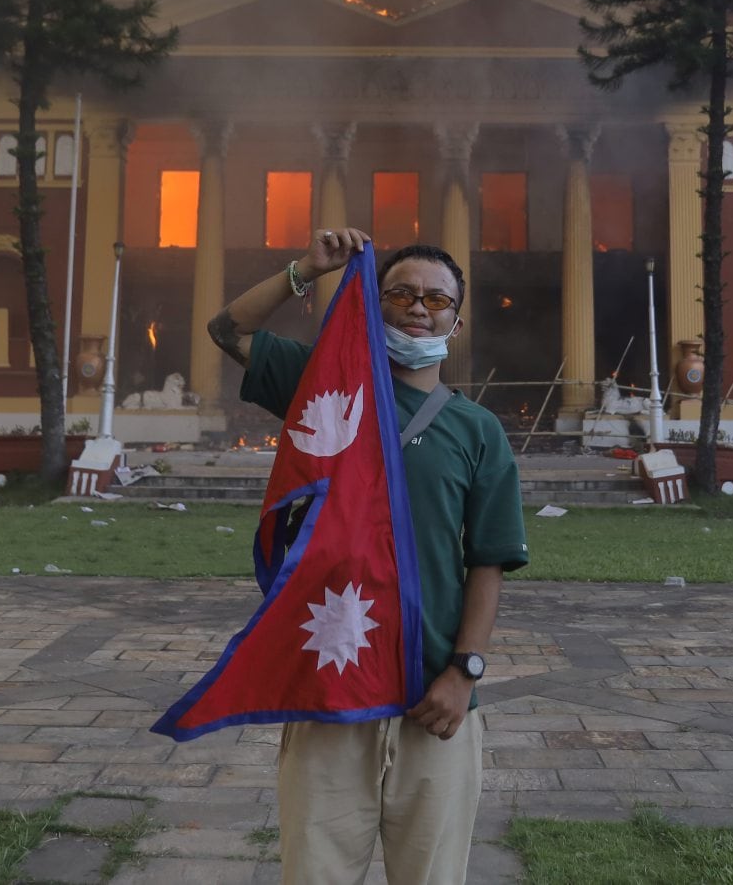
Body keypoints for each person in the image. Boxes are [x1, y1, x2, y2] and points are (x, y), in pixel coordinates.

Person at [208, 227, 528, 885]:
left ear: (456, 321)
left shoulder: (477, 431)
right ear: (374, 304)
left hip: (431, 698)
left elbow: (487, 563)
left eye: (436, 299)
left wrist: (464, 672)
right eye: (401, 292)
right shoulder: (323, 384)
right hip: (330, 685)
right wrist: (306, 268)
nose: (418, 307)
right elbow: (227, 329)